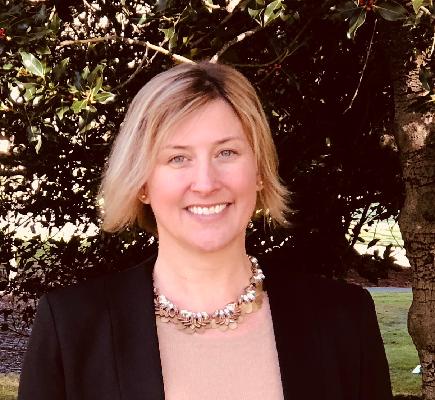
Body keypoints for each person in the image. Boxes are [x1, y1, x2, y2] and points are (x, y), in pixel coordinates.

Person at [18, 62, 393, 400]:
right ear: (142, 183)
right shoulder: (73, 328)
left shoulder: (342, 320)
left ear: (259, 171)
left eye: (226, 153)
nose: (206, 182)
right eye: (177, 158)